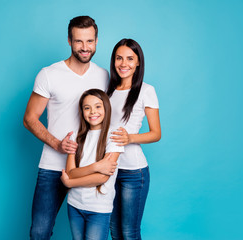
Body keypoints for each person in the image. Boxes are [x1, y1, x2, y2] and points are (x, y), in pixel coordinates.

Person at [23, 16, 116, 240]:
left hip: (90, 167)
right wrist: (57, 143)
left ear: (96, 41)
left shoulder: (103, 75)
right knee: (40, 231)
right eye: (79, 41)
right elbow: (29, 119)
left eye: (90, 41)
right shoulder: (49, 74)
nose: (85, 47)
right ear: (69, 41)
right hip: (54, 166)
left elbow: (111, 116)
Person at [107, 39, 161, 239]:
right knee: (114, 229)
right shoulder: (108, 90)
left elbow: (156, 133)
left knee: (129, 232)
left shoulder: (147, 90)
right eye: (119, 58)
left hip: (133, 172)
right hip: (109, 170)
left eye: (130, 59)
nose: (124, 63)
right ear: (113, 61)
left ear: (138, 62)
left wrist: (129, 138)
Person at [60, 89, 124, 240]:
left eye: (98, 106)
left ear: (106, 108)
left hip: (98, 208)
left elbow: (102, 178)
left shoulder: (114, 135)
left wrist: (70, 182)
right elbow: (71, 172)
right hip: (74, 204)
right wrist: (96, 167)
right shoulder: (76, 135)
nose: (92, 112)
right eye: (87, 108)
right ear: (82, 111)